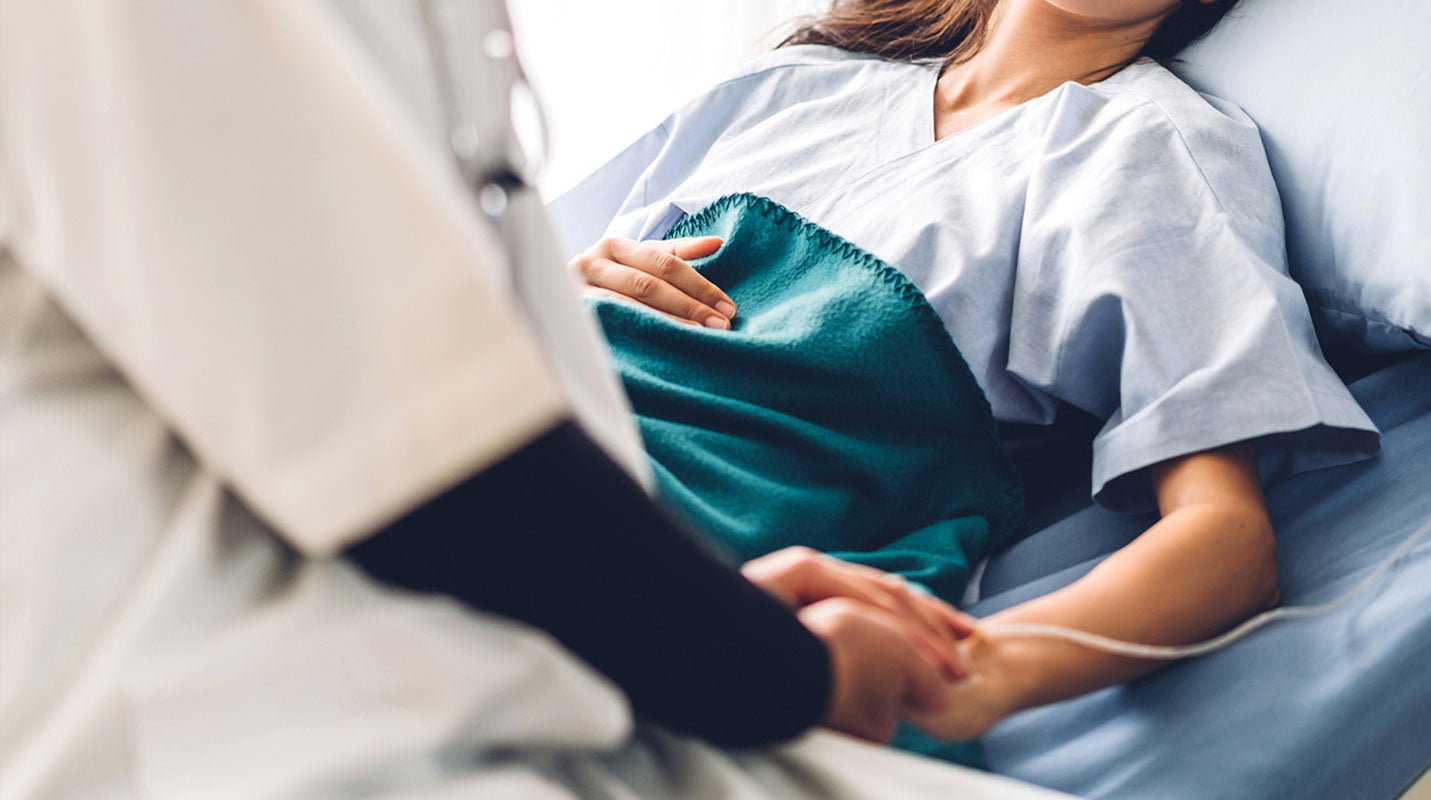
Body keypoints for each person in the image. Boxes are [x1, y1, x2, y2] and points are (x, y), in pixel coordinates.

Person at [0, 1, 1075, 797]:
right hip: (236, 703)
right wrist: (790, 663)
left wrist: (725, 606)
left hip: (518, 611)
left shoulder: (1133, 148)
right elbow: (426, 460)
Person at [553, 0, 1381, 741]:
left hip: (676, 518)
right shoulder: (792, 81)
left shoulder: (1143, 147)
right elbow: (525, 295)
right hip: (519, 425)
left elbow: (1226, 541)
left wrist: (964, 675)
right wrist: (574, 287)